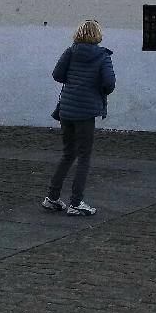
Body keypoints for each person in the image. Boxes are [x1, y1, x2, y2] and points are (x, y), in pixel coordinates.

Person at [42, 18, 115, 217]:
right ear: (97, 35)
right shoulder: (102, 56)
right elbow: (109, 83)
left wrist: (74, 81)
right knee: (84, 157)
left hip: (66, 109)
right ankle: (76, 202)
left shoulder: (70, 51)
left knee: (68, 154)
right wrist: (97, 90)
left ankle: (52, 197)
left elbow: (57, 75)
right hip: (86, 111)